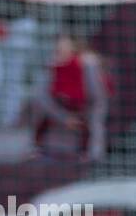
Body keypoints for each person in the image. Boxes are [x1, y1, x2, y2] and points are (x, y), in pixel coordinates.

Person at [26, 33, 108, 161]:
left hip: (82, 119)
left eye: (64, 48)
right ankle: (38, 149)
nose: (60, 53)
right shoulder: (52, 67)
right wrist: (64, 118)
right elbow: (41, 97)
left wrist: (92, 132)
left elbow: (98, 100)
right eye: (57, 49)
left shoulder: (87, 66)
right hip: (57, 122)